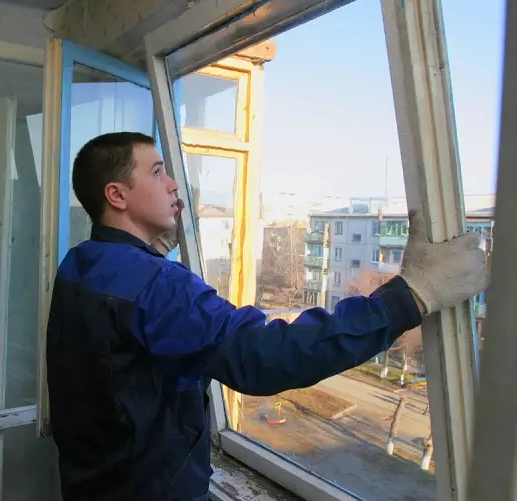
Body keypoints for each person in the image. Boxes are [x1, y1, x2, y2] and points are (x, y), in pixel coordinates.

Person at [46, 132, 486, 501]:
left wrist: (149, 250)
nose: (174, 184)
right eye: (157, 171)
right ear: (117, 194)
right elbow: (263, 355)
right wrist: (410, 299)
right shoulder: (154, 285)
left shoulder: (81, 263)